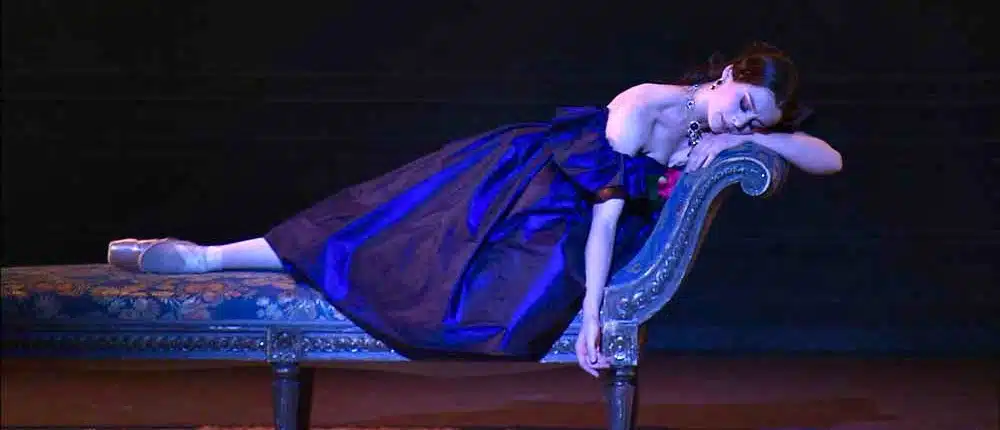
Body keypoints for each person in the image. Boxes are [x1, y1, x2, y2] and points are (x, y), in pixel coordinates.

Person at [107, 42, 842, 377]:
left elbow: (827, 158)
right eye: (741, 104)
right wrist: (591, 318)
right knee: (372, 230)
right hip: (519, 185)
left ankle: (209, 254)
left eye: (755, 120)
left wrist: (759, 135)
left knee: (403, 259)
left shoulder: (715, 129)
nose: (739, 122)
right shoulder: (644, 108)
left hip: (561, 219)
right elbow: (604, 220)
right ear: (724, 74)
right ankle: (204, 257)